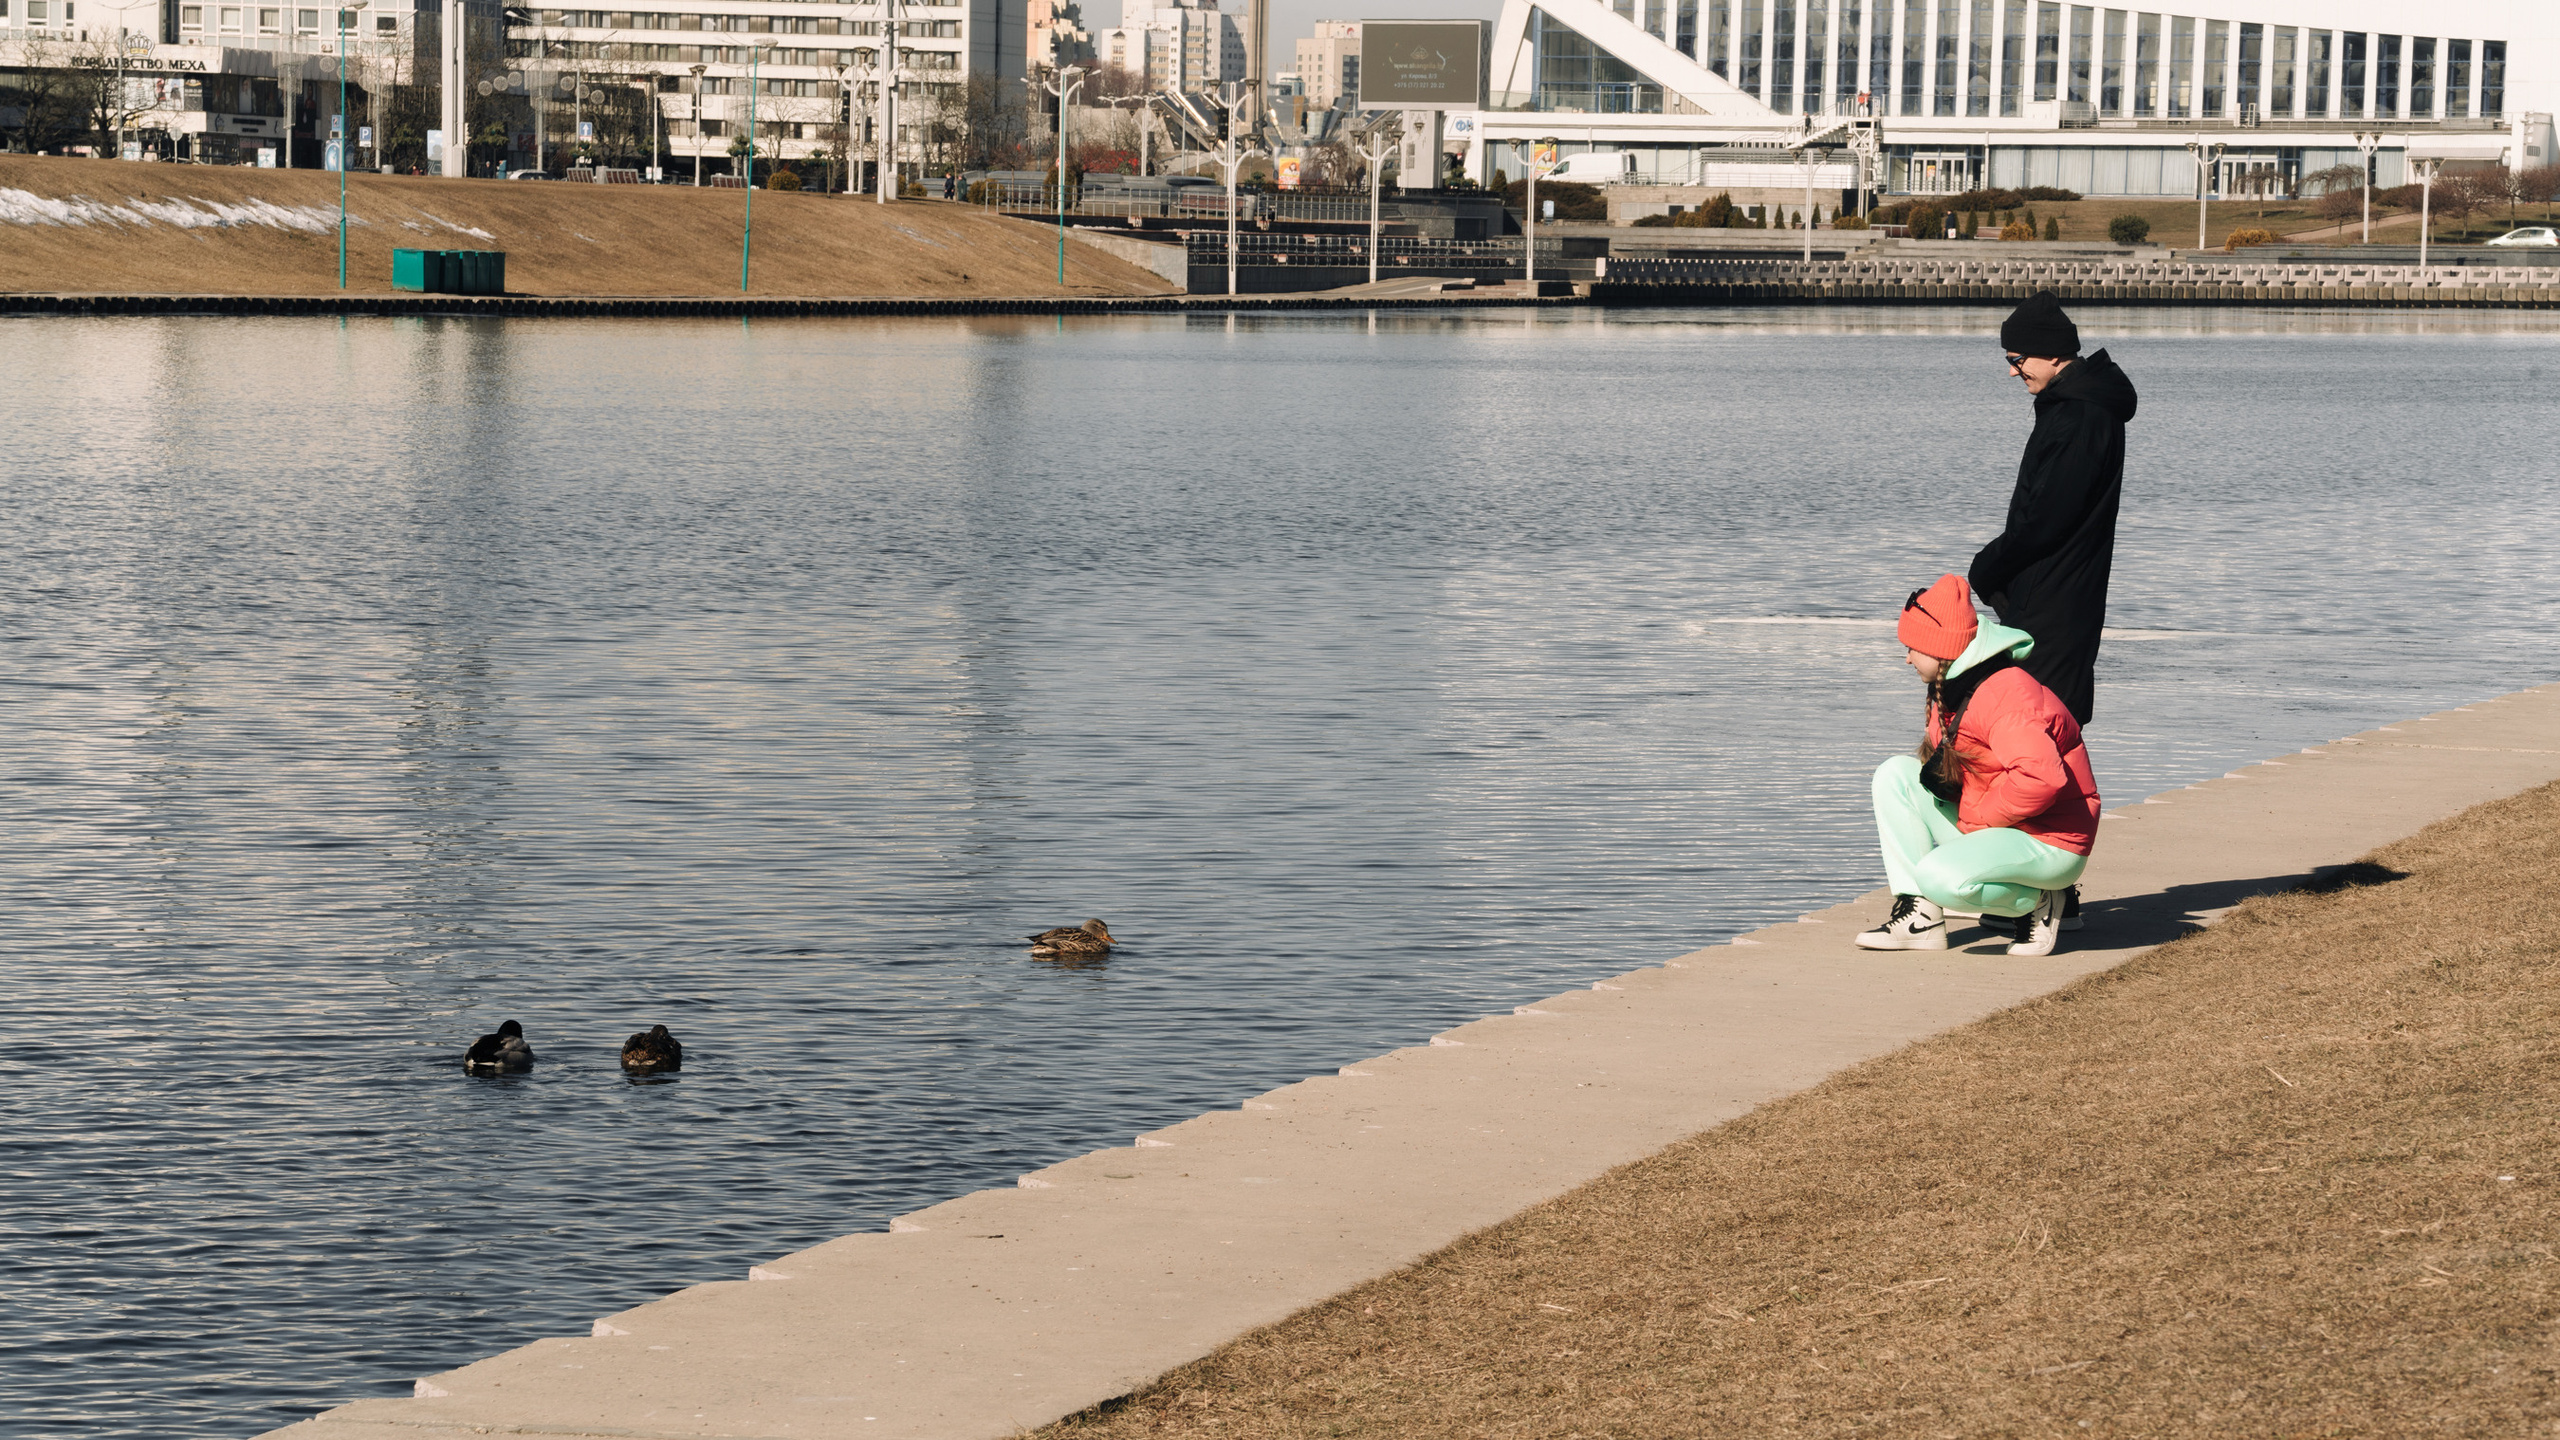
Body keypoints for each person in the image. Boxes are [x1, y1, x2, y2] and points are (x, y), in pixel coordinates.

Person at [1857, 574, 2100, 958]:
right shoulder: (1955, 686)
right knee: (1895, 775)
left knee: (1939, 877)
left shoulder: (2006, 694)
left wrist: (1977, 820)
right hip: (2002, 827)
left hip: (2050, 842)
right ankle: (1920, 918)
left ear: (1940, 649)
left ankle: (2041, 900)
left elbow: (2042, 779)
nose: (1906, 658)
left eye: (1911, 648)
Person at [1968, 291, 2137, 728]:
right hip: (2064, 592)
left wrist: (1985, 567)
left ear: (2052, 354)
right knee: (2047, 716)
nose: (2012, 370)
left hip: (2053, 600)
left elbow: (2044, 520)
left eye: (2017, 359)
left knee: (2033, 720)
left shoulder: (2078, 417)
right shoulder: (2079, 408)